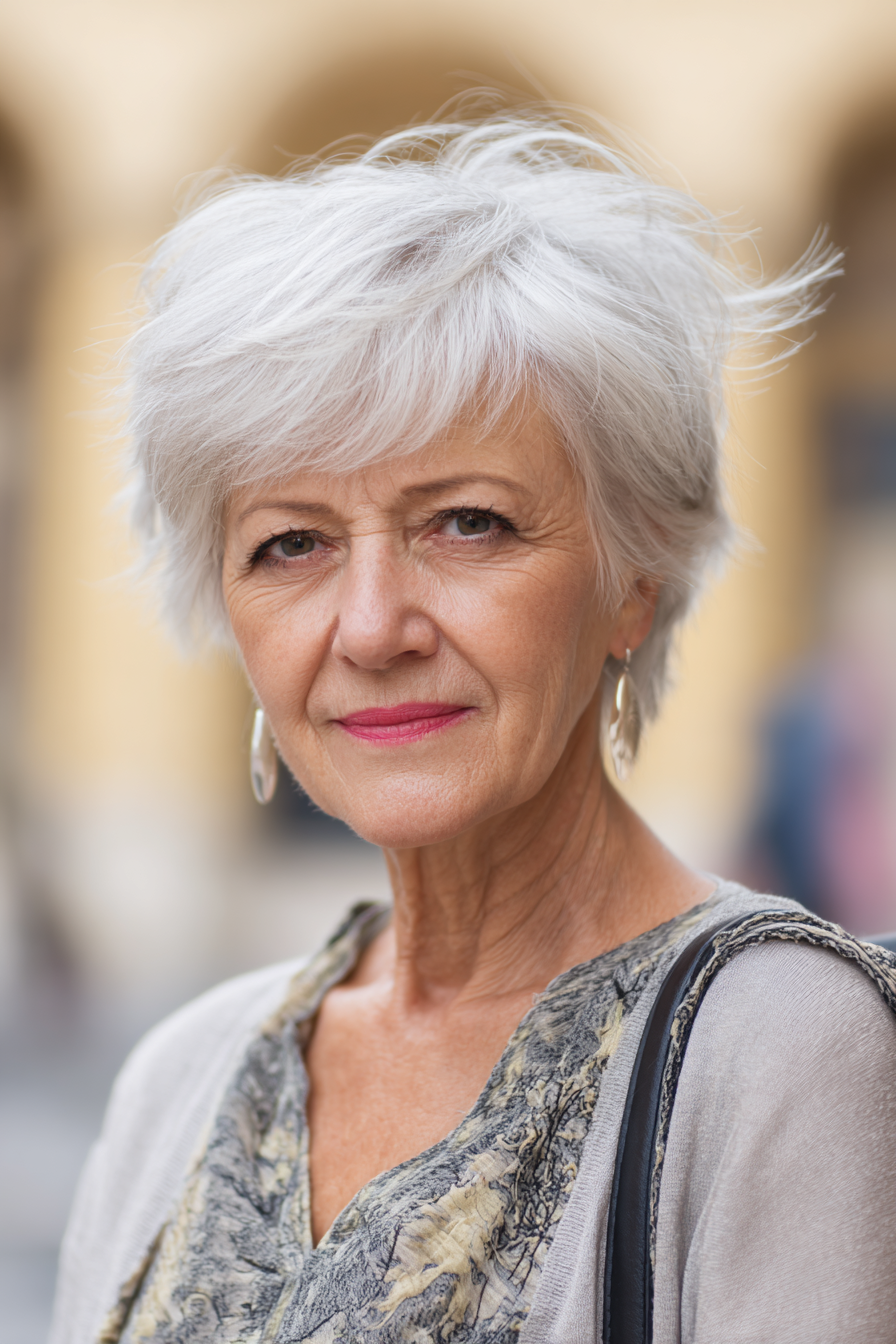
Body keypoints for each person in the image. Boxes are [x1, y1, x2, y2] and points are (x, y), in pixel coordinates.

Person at [50, 114, 896, 1344]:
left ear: (631, 581)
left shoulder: (781, 1052)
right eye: (291, 544)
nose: (372, 623)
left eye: (467, 524)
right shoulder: (178, 1079)